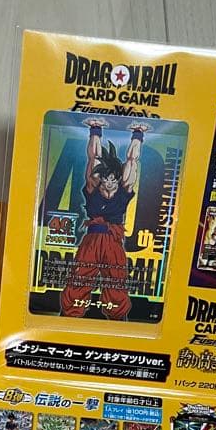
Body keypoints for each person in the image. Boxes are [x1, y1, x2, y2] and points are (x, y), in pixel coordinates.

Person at [60, 118, 148, 320]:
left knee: (116, 279)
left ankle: (117, 317)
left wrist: (138, 135)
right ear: (101, 179)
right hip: (92, 240)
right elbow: (93, 157)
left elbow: (132, 161)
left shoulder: (123, 190)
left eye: (112, 179)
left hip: (113, 240)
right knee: (80, 276)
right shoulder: (93, 188)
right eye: (105, 179)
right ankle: (69, 314)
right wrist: (95, 131)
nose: (108, 183)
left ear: (117, 179)